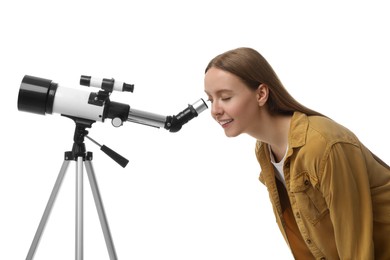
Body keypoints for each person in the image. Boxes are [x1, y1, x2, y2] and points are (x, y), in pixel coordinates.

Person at [203, 47, 390, 260]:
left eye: (225, 97)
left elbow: (357, 248)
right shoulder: (265, 150)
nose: (215, 110)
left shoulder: (323, 145)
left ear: (261, 94)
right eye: (211, 100)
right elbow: (301, 236)